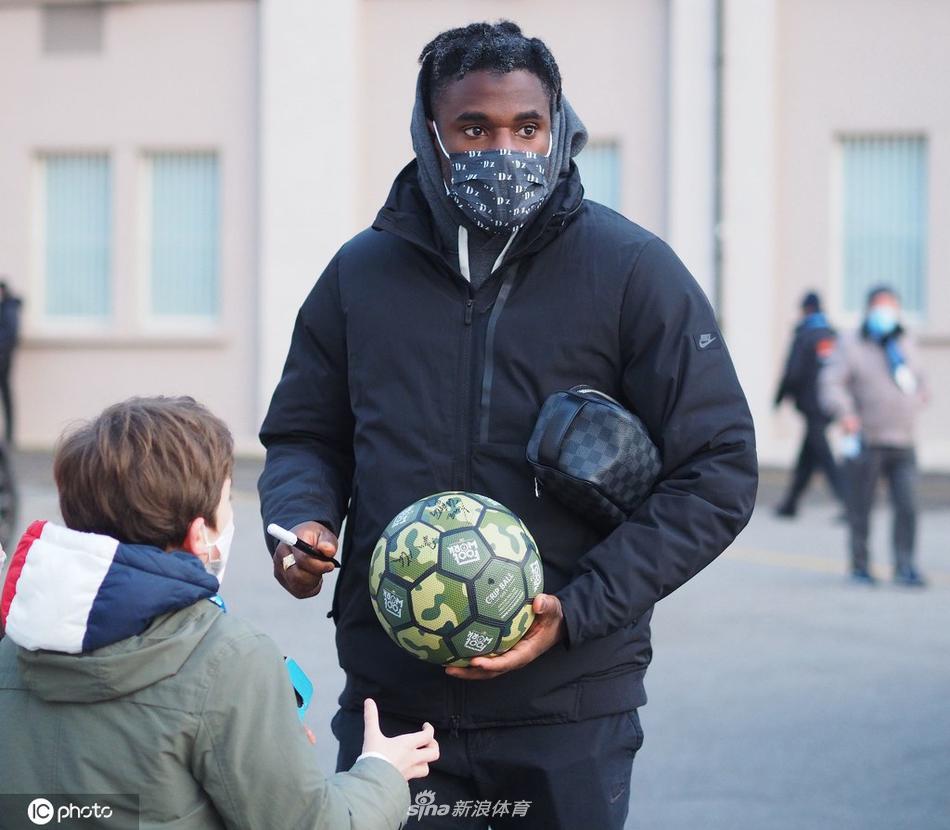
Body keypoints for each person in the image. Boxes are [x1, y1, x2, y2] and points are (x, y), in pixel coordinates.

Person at [258, 21, 757, 829]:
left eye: (526, 127)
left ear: (557, 126)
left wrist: (583, 606)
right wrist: (298, 521)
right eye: (474, 128)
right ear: (430, 134)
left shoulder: (632, 271)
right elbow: (305, 437)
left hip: (568, 707)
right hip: (398, 712)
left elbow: (720, 469)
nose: (505, 149)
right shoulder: (359, 275)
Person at [0, 396, 438, 829]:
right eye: (226, 504)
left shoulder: (13, 637)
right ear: (199, 536)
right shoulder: (230, 660)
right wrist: (381, 771)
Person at [819, 286, 928, 586]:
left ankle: (905, 565)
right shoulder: (851, 343)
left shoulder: (904, 341)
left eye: (891, 307)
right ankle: (860, 564)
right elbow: (831, 382)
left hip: (903, 440)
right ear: (868, 309)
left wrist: (920, 396)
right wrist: (845, 413)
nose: (885, 314)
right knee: (861, 507)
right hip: (867, 439)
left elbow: (919, 379)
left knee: (908, 506)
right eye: (880, 307)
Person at [774, 291, 845, 516]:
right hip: (828, 403)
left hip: (811, 404)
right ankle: (790, 504)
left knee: (823, 456)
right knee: (809, 455)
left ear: (806, 309)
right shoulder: (830, 334)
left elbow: (793, 371)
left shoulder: (805, 334)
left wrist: (779, 396)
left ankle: (849, 502)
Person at [0, 280, 23, 445]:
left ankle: (9, 437)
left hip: (3, 359)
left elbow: (10, 336)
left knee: (6, 396)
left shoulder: (9, 308)